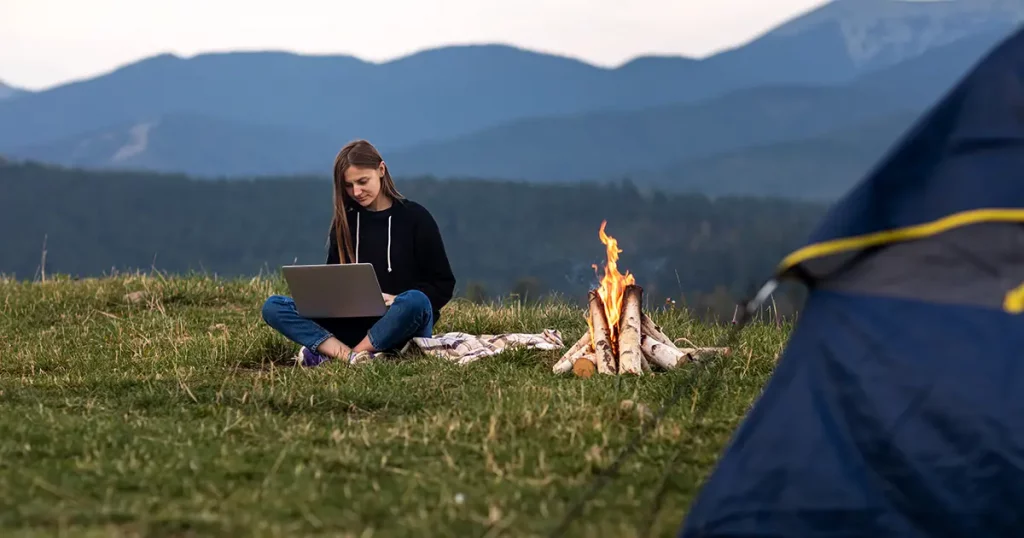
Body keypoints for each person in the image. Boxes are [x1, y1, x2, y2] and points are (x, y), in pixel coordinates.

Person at [261, 139, 456, 366]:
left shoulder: (416, 218)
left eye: (363, 181)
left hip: (402, 322)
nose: (356, 191)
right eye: (348, 185)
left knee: (416, 300)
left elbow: (443, 284)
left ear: (381, 170)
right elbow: (333, 281)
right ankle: (353, 357)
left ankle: (347, 354)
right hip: (352, 322)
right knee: (274, 306)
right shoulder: (345, 223)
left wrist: (395, 300)